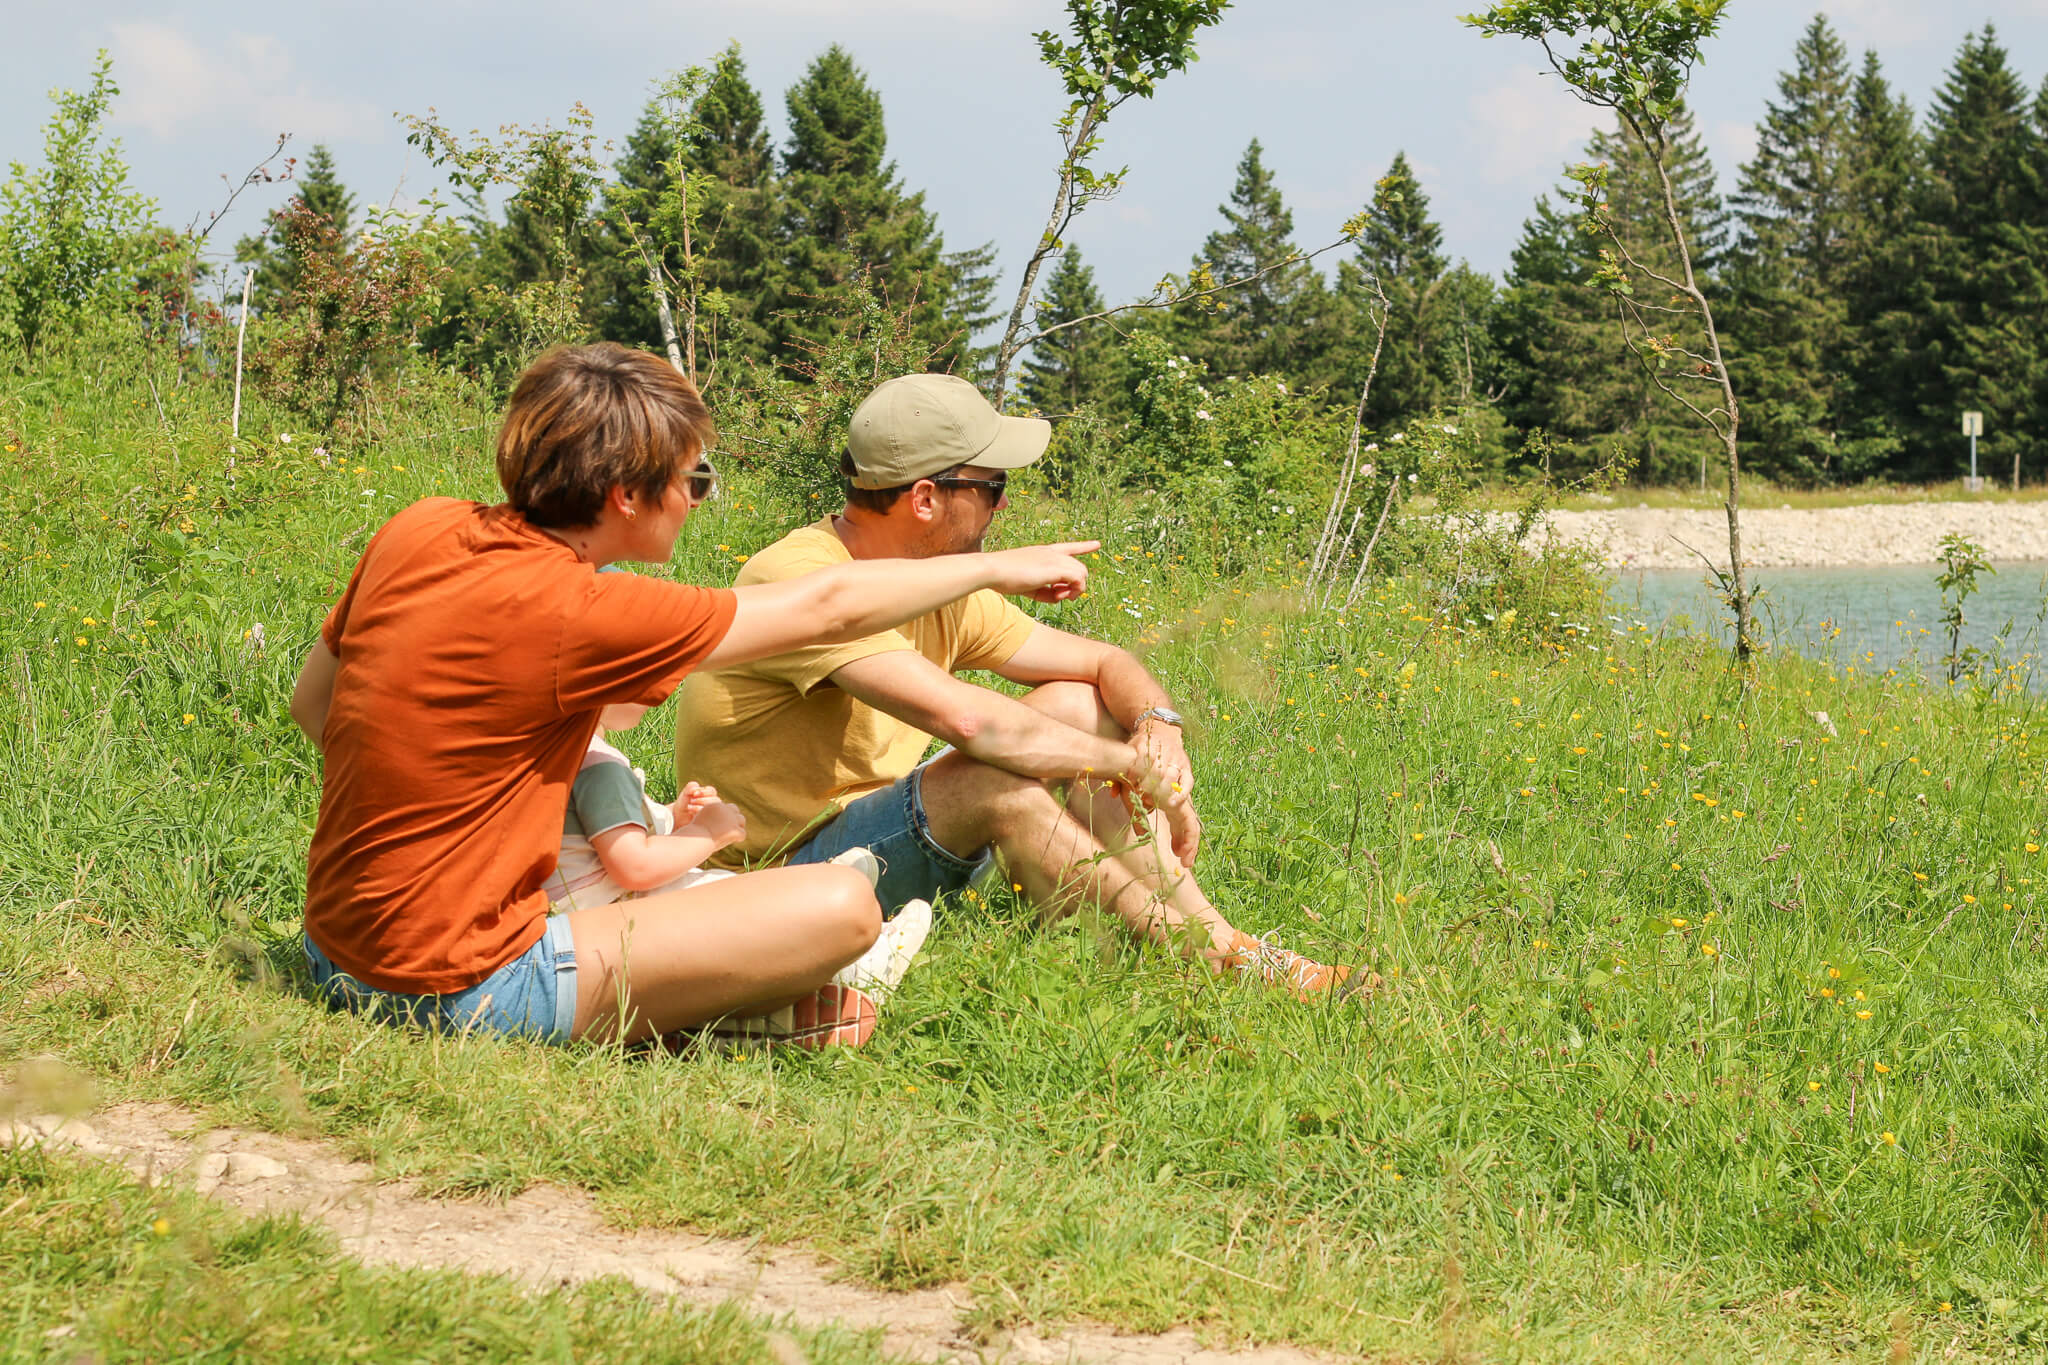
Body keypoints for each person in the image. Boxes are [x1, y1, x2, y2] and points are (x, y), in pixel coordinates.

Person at [288, 344, 1106, 1050]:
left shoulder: (419, 527)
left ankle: (713, 1008)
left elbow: (314, 707)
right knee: (844, 905)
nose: (697, 498)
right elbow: (825, 605)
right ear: (626, 496)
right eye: (695, 478)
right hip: (462, 987)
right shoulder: (591, 612)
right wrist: (998, 564)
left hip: (332, 947)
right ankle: (701, 1015)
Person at [674, 374, 1360, 998]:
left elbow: (1100, 664)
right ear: (923, 499)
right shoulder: (801, 580)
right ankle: (1208, 961)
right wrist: (1132, 767)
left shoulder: (938, 580)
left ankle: (1218, 932)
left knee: (1077, 705)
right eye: (993, 487)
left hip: (886, 835)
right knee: (991, 780)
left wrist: (1156, 722)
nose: (1002, 508)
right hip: (786, 879)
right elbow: (975, 726)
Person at [549, 701, 934, 1020]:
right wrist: (708, 834)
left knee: (723, 889)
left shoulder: (562, 753)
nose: (662, 690)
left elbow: (600, 838)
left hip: (587, 918)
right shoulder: (600, 767)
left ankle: (824, 893)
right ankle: (858, 958)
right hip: (621, 913)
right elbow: (634, 866)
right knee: (726, 901)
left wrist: (672, 817)